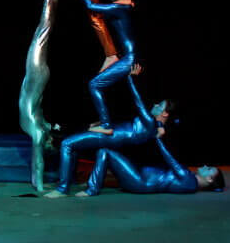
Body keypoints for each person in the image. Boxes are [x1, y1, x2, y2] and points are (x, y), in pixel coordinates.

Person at [44, 65, 173, 198]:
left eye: (160, 105)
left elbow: (138, 101)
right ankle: (91, 189)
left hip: (110, 136)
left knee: (67, 144)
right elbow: (155, 126)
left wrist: (131, 79)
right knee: (99, 151)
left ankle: (62, 189)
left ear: (165, 114)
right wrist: (160, 125)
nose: (155, 105)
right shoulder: (154, 126)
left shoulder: (150, 122)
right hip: (113, 136)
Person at [73, 0, 136, 134]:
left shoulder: (120, 7)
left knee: (94, 85)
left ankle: (107, 125)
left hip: (129, 59)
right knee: (100, 81)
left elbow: (91, 6)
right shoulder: (123, 5)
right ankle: (105, 119)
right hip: (125, 57)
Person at [19, 0, 61, 191]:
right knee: (41, 34)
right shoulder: (40, 129)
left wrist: (39, 184)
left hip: (36, 77)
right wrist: (40, 186)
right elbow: (38, 160)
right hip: (36, 77)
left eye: (50, 143)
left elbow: (38, 161)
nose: (49, 141)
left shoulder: (39, 131)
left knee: (42, 35)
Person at [76, 138, 225, 196]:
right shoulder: (190, 181)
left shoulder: (189, 181)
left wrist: (157, 138)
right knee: (113, 155)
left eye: (209, 169)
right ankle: (91, 182)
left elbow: (170, 159)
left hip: (139, 181)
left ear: (210, 179)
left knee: (105, 152)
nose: (205, 166)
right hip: (140, 177)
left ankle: (92, 190)